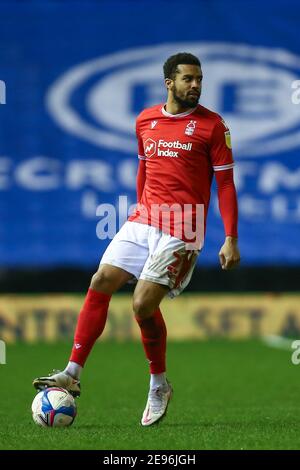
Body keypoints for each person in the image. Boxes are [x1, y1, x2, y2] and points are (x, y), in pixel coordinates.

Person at [33, 52, 240, 426]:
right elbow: (144, 168)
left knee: (142, 304)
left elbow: (225, 183)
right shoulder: (145, 120)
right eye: (188, 79)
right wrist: (140, 209)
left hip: (184, 227)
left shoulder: (212, 126)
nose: (195, 85)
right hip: (144, 219)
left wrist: (230, 237)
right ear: (169, 83)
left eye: (199, 79)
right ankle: (72, 373)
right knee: (100, 281)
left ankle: (158, 384)